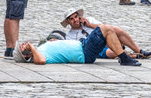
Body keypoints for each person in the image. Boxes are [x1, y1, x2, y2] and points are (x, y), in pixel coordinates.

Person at [13, 23, 142, 66]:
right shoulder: (38, 55)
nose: (24, 44)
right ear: (25, 55)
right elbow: (41, 61)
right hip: (84, 52)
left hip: (83, 46)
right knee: (105, 29)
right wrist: (32, 48)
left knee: (111, 30)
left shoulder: (40, 49)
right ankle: (124, 58)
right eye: (23, 47)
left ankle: (132, 53)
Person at [61, 9, 151, 59]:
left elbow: (106, 27)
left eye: (76, 17)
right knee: (111, 52)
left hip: (107, 40)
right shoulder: (70, 36)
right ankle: (131, 55)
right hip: (96, 49)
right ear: (68, 22)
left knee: (115, 29)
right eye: (71, 19)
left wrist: (90, 25)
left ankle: (138, 51)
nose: (75, 20)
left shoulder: (89, 20)